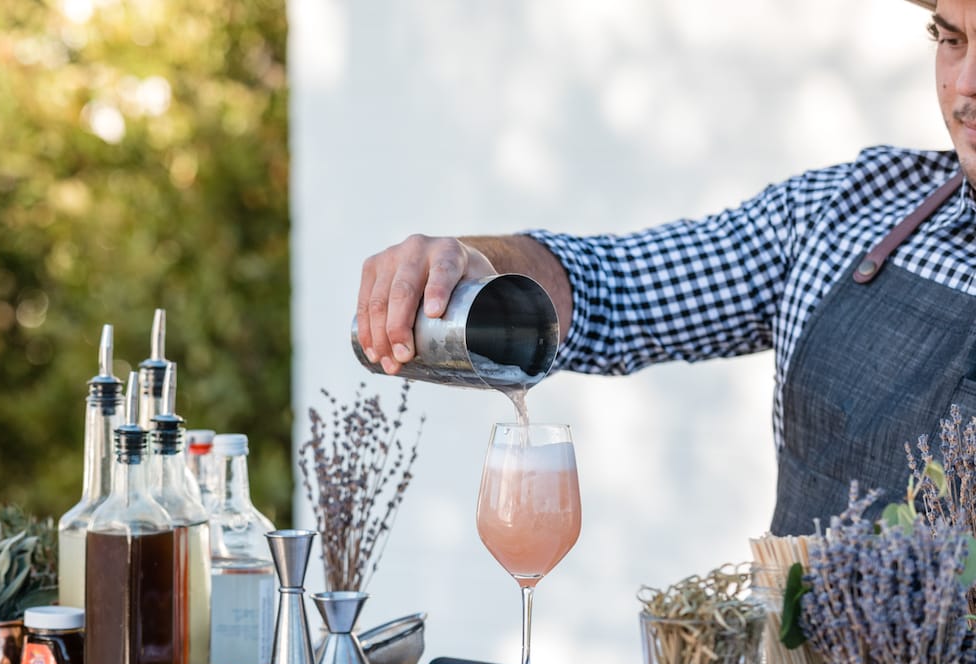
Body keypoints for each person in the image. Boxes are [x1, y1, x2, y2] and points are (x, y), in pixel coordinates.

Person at [354, 0, 976, 536]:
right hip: (804, 647)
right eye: (952, 40)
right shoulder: (848, 209)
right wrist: (477, 268)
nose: (966, 84)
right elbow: (611, 289)